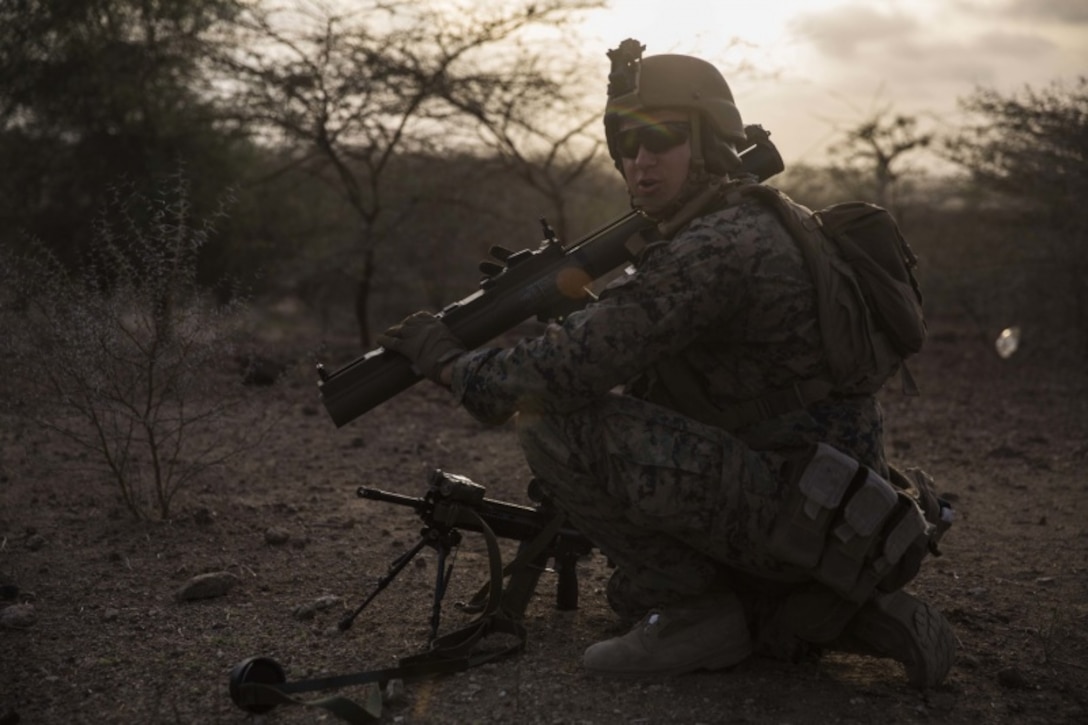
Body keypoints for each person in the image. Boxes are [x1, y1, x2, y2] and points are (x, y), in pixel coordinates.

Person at [377, 40, 954, 688]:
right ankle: (813, 608)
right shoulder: (764, 220)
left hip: (790, 502)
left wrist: (453, 362)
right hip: (831, 504)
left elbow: (561, 373)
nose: (640, 161)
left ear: (707, 142)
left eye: (661, 140)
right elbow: (663, 357)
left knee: (552, 422)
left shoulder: (716, 243)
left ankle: (691, 612)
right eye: (625, 145)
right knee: (636, 568)